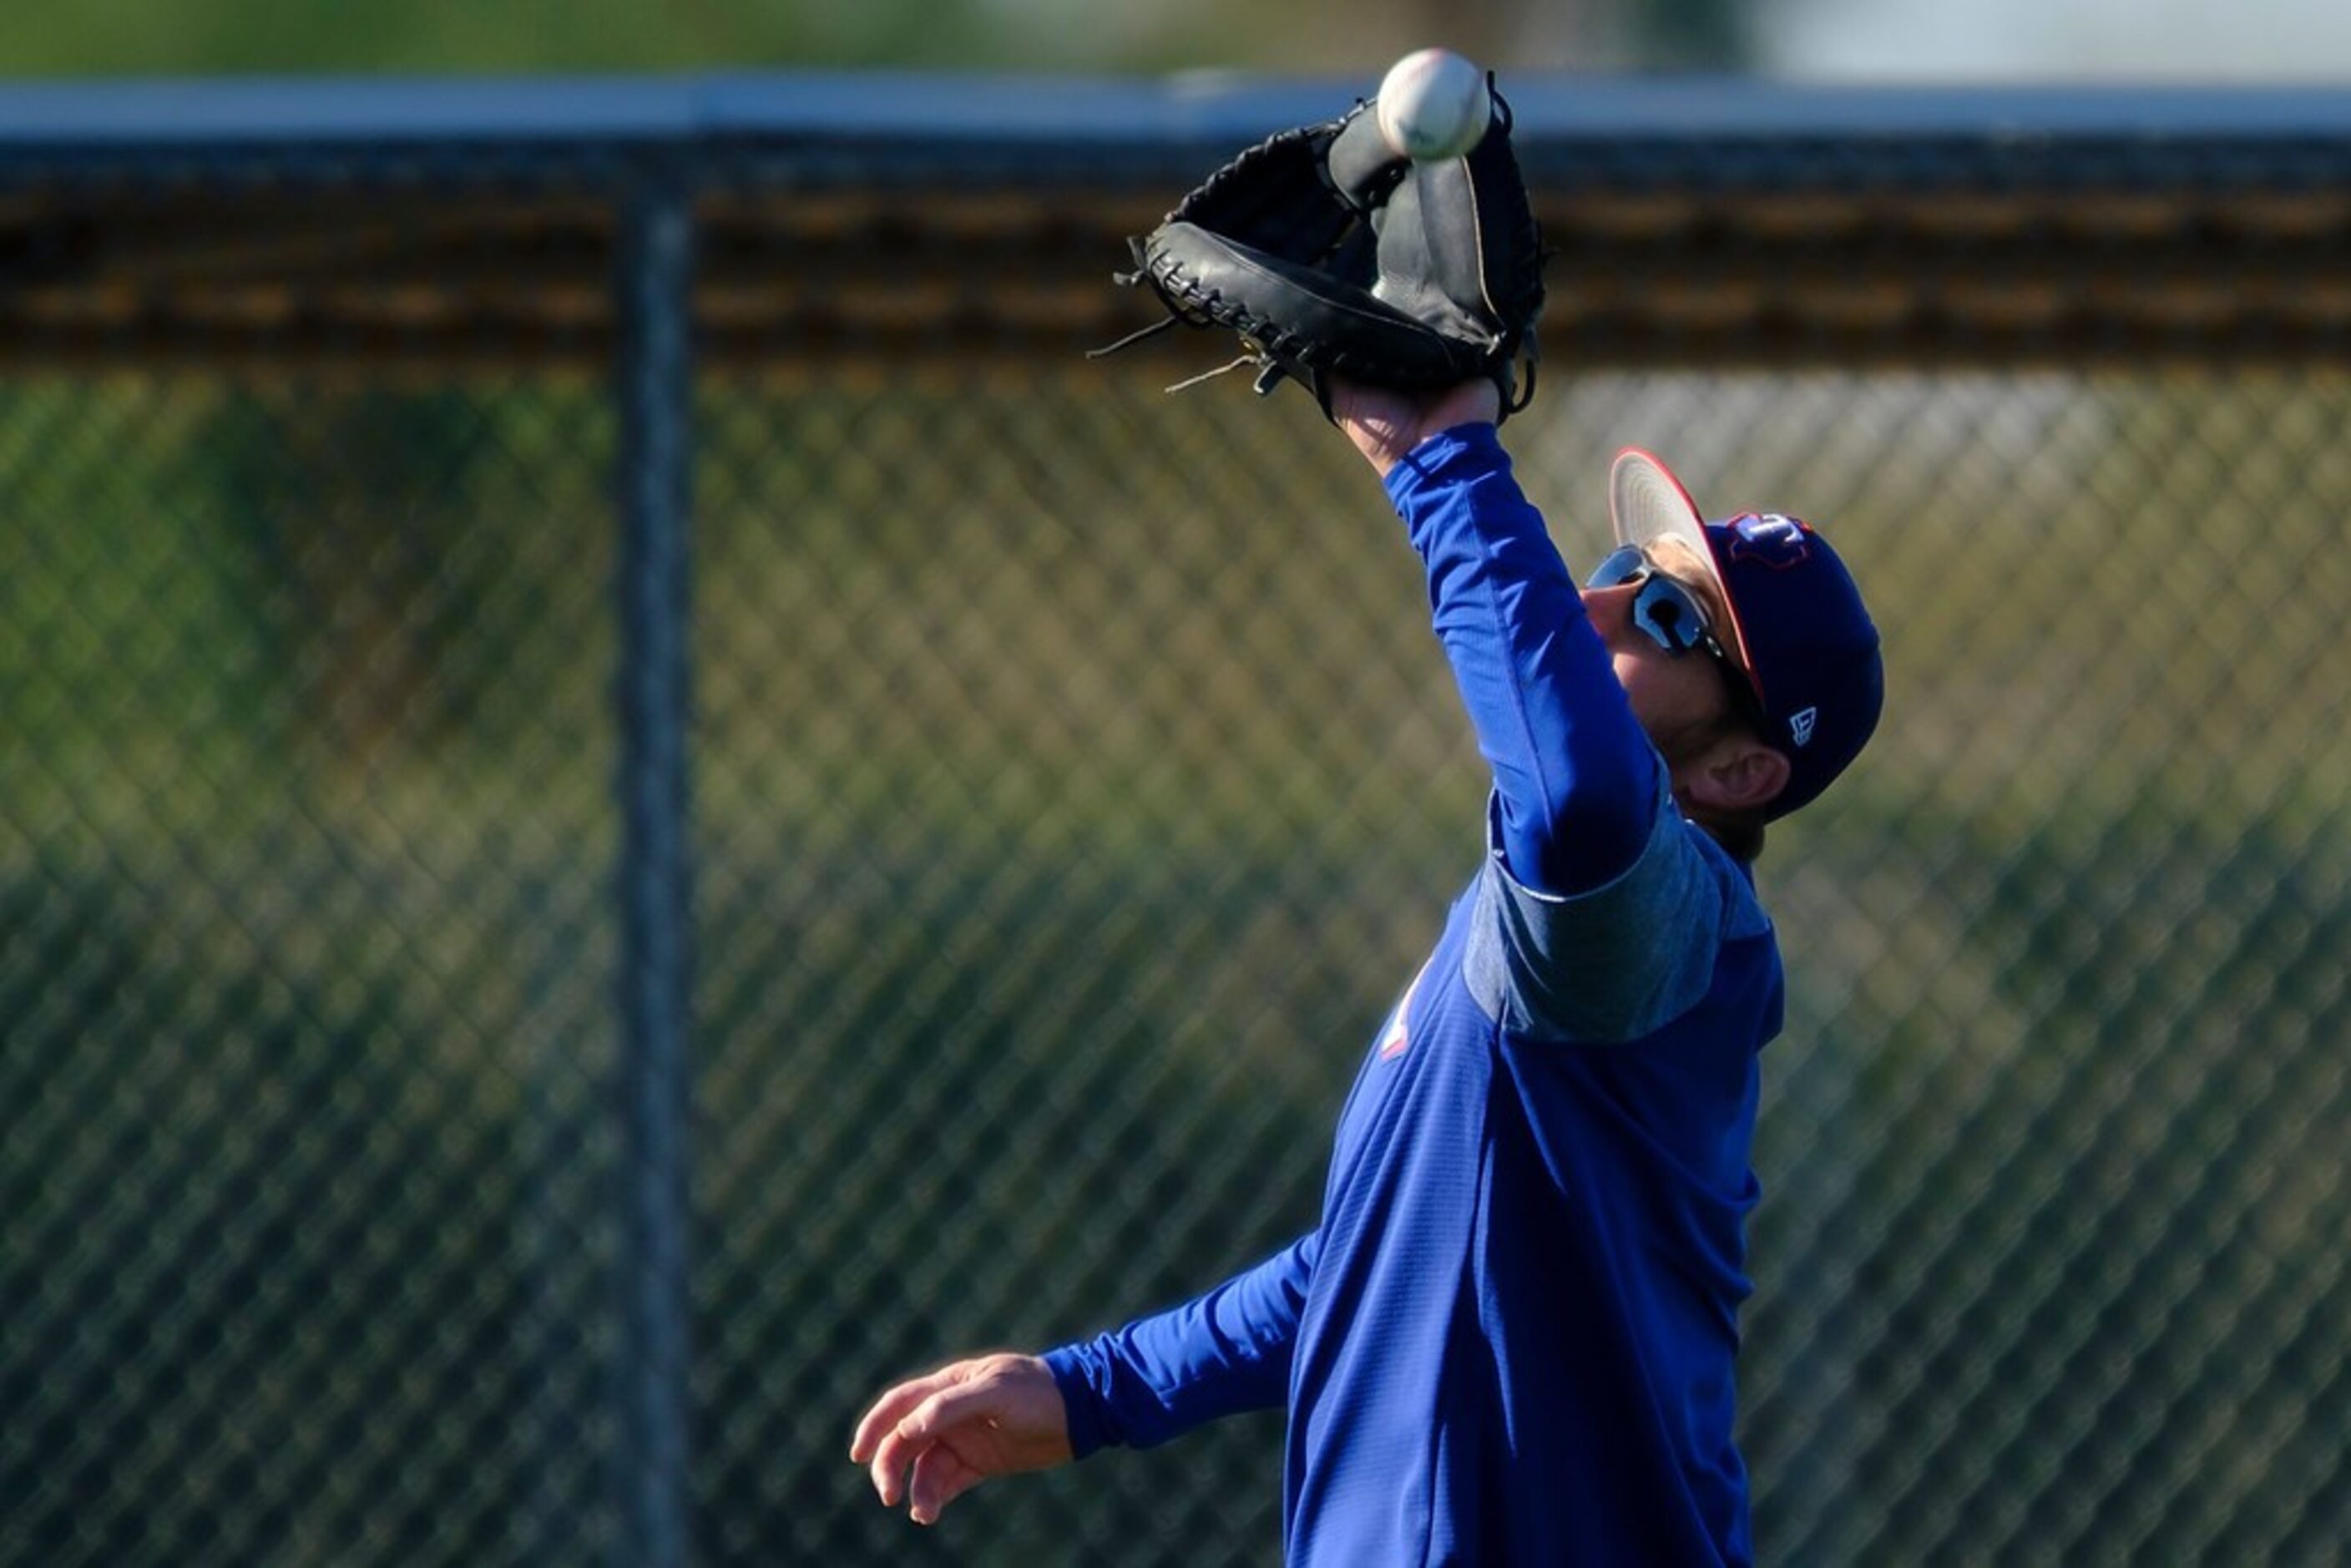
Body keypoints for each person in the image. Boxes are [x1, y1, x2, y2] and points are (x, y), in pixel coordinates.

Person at [850, 373, 1884, 1565]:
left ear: (1743, 777)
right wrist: (1097, 1390)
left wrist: (1442, 457)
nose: (1600, 608)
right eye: (1622, 570)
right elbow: (1386, 1257)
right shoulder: (1552, 937)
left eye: (1667, 619)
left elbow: (1585, 796)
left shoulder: (1656, 918)